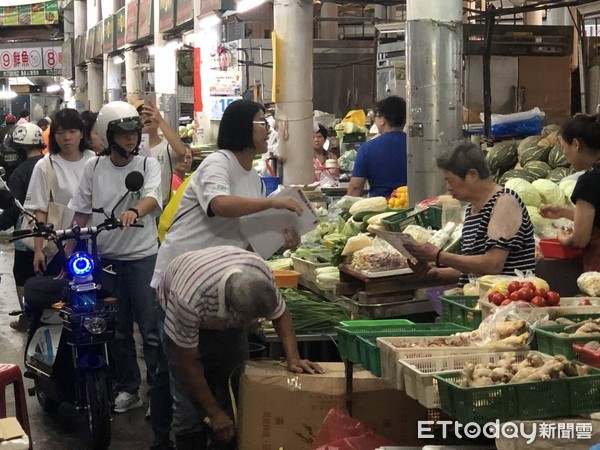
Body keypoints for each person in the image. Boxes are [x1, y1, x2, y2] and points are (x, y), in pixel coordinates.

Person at [67, 101, 170, 449]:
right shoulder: (94, 168)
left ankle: (159, 393)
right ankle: (128, 389)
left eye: (133, 132)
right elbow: (80, 211)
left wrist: (134, 210)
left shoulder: (147, 164)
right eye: (123, 133)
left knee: (153, 333)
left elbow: (154, 197)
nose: (130, 139)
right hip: (106, 259)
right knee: (116, 330)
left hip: (143, 260)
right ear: (110, 136)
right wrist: (63, 244)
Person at [156, 246, 324, 450]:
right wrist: (213, 412)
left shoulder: (259, 273)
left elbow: (280, 313)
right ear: (231, 311)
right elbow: (187, 362)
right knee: (189, 407)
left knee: (235, 389)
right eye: (248, 319)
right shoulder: (188, 298)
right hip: (182, 305)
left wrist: (293, 357)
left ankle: (227, 437)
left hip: (216, 298)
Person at [151, 99, 303, 288]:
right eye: (262, 123)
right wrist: (272, 203)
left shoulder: (256, 181)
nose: (268, 130)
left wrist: (280, 242)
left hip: (215, 276)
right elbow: (220, 205)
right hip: (183, 274)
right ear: (242, 126)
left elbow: (247, 239)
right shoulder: (218, 162)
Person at [404, 142, 536, 286]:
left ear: (472, 175)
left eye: (450, 181)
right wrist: (434, 273)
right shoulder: (472, 209)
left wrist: (439, 255)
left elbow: (493, 265)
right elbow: (473, 272)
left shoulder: (504, 202)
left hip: (507, 303)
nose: (448, 188)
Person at [24, 108, 95, 276]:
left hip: (93, 241)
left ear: (81, 133)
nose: (67, 137)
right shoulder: (46, 166)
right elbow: (40, 210)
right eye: (61, 132)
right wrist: (38, 250)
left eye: (72, 131)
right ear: (54, 136)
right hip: (58, 245)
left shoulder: (94, 161)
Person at [540, 114, 600, 271]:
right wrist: (564, 212)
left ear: (576, 144)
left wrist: (562, 238)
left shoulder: (590, 181)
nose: (563, 154)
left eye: (563, 146)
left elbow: (579, 240)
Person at [0, 123, 44, 331]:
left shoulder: (20, 172)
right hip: (53, 230)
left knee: (22, 275)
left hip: (26, 233)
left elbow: (14, 207)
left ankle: (28, 317)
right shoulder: (50, 163)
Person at [347, 96, 407, 197]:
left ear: (382, 119)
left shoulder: (367, 149)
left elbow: (355, 188)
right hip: (413, 208)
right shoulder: (417, 147)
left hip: (379, 209)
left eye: (375, 117)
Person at [135, 100, 187, 206]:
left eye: (149, 114)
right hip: (136, 206)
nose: (145, 118)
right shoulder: (133, 149)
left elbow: (181, 152)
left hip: (162, 205)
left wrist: (160, 120)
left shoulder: (167, 148)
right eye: (141, 116)